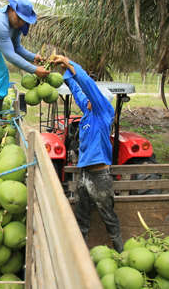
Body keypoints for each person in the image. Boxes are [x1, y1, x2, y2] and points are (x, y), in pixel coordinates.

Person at [52, 55, 123, 253]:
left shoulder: (103, 112)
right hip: (85, 174)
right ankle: (80, 255)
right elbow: (78, 90)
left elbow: (88, 85)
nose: (88, 99)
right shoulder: (89, 111)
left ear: (100, 100)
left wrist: (69, 63)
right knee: (81, 216)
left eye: (92, 98)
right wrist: (65, 76)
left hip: (100, 177)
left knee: (108, 216)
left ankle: (120, 251)